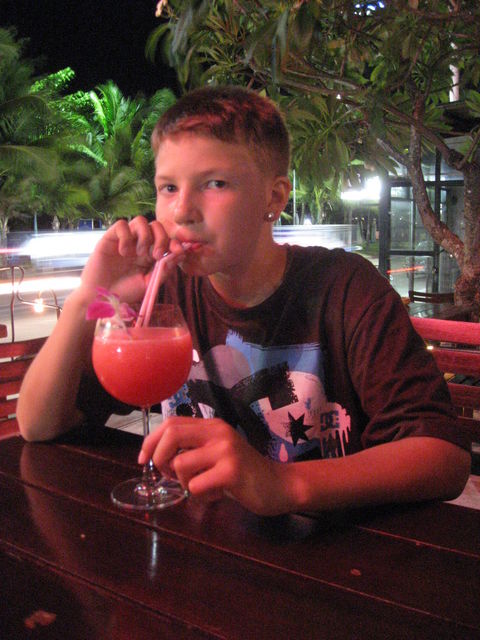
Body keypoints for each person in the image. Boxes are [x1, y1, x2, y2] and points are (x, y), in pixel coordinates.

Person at [17, 86, 471, 516]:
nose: (182, 211)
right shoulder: (161, 294)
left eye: (214, 183)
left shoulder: (345, 289)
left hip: (333, 545)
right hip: (205, 541)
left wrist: (282, 484)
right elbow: (38, 425)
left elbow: (445, 458)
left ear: (274, 197)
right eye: (168, 187)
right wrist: (87, 298)